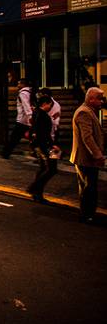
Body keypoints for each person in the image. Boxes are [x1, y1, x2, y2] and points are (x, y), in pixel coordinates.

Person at [70, 87, 105, 223]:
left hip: (87, 158)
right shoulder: (84, 112)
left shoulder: (89, 111)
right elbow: (87, 137)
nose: (101, 102)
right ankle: (86, 215)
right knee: (88, 188)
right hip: (85, 158)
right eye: (100, 99)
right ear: (91, 99)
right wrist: (97, 155)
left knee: (90, 187)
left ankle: (88, 214)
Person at [26, 96, 59, 202]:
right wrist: (52, 144)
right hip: (45, 145)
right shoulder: (42, 115)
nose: (50, 107)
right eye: (50, 105)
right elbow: (42, 132)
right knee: (51, 169)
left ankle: (37, 194)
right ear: (45, 103)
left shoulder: (37, 112)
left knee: (43, 168)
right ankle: (34, 188)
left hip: (43, 145)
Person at [0, 78, 33, 158]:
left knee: (14, 138)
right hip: (27, 120)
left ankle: (6, 153)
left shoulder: (23, 94)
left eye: (19, 84)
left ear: (23, 84)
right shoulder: (30, 92)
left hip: (23, 120)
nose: (18, 85)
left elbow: (26, 107)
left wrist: (30, 118)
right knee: (19, 138)